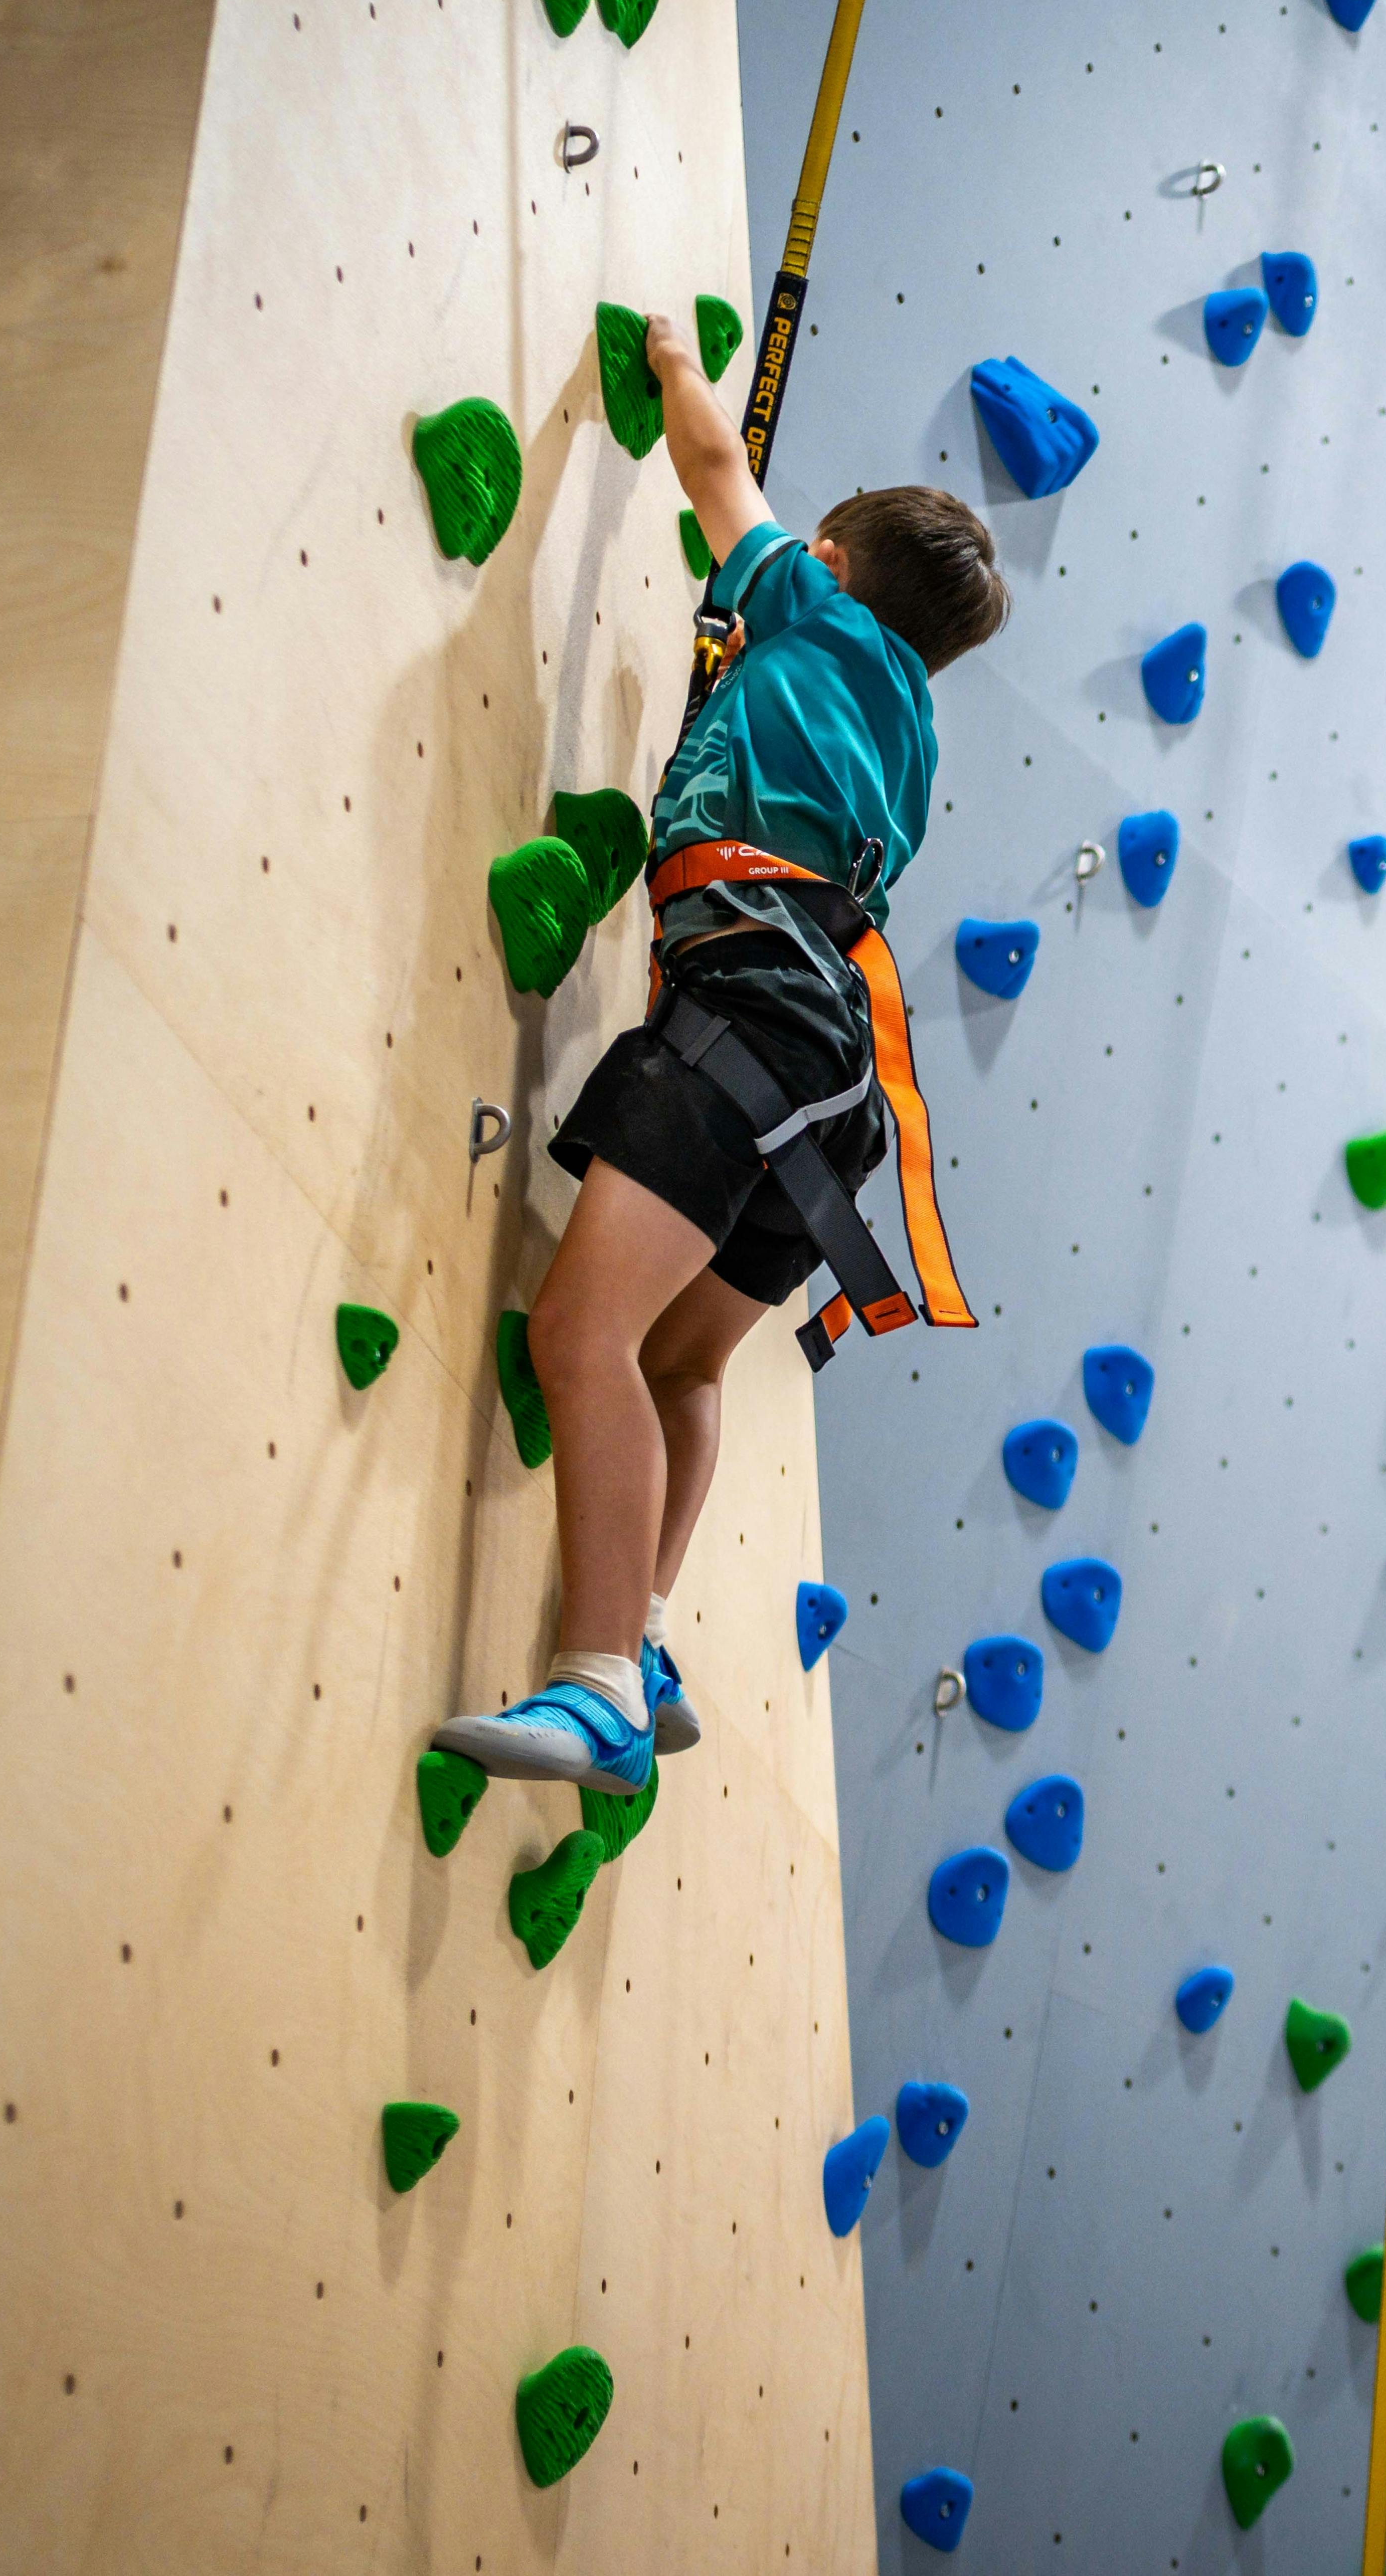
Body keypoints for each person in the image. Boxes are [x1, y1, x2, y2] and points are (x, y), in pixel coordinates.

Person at [438, 310, 1006, 1794]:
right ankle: (656, 1629)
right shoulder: (916, 735)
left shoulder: (812, 614)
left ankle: (603, 1682)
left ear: (823, 561)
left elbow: (709, 462)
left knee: (580, 1337)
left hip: (753, 1015)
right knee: (684, 1363)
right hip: (830, 1089)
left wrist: (681, 359)